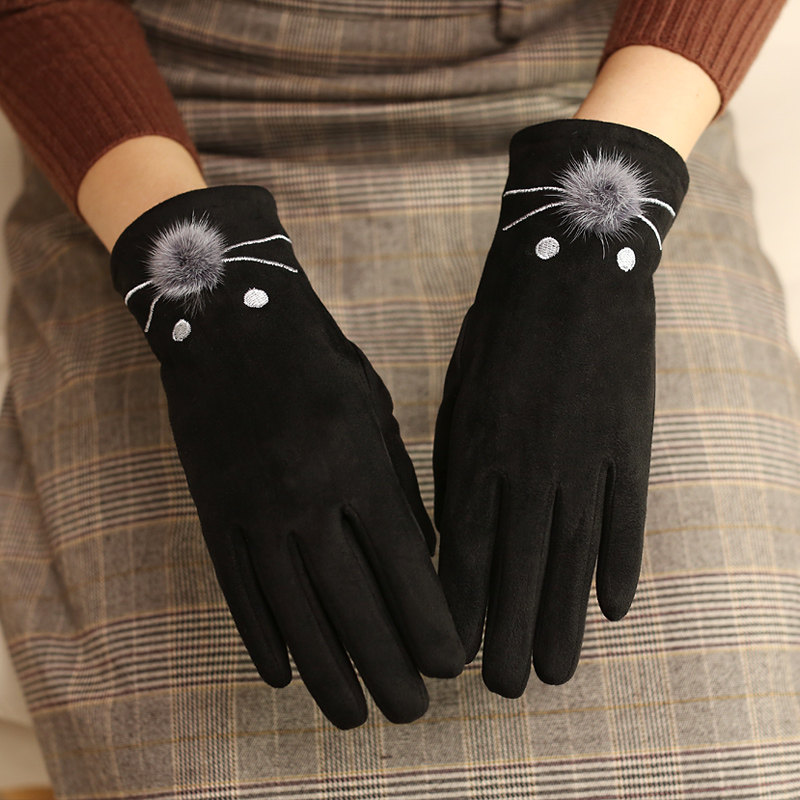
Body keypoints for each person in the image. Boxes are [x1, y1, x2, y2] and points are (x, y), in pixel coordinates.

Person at [1, 0, 798, 796]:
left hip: (627, 92)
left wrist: (594, 228)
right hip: (142, 137)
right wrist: (208, 304)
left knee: (733, 764)